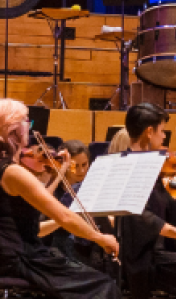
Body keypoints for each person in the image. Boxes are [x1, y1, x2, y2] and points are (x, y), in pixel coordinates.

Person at [0, 98, 120, 298]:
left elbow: (36, 203)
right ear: (14, 130)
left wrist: (62, 169)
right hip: (21, 256)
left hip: (14, 252)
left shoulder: (9, 170)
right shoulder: (13, 172)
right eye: (26, 124)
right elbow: (63, 216)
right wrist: (100, 238)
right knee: (103, 285)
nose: (29, 130)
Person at [119, 103, 176, 299]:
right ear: (149, 132)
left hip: (156, 254)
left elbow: (171, 208)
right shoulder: (130, 167)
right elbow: (145, 218)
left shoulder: (149, 167)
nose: (163, 137)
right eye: (161, 131)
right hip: (141, 260)